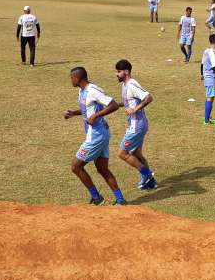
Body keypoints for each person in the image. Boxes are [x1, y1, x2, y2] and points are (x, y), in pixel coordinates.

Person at [63, 66, 126, 205]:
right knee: (102, 169)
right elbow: (88, 109)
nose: (71, 81)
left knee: (76, 167)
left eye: (71, 78)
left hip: (96, 136)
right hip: (100, 134)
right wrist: (74, 113)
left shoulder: (93, 90)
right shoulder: (82, 90)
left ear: (77, 78)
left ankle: (97, 198)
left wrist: (97, 115)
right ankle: (121, 200)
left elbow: (114, 105)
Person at [114, 59, 158, 190]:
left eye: (118, 71)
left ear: (126, 72)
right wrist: (114, 105)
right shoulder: (124, 85)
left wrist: (135, 109)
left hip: (137, 126)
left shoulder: (132, 84)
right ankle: (151, 182)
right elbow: (127, 103)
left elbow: (148, 97)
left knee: (123, 153)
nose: (116, 74)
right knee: (137, 154)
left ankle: (147, 175)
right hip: (137, 124)